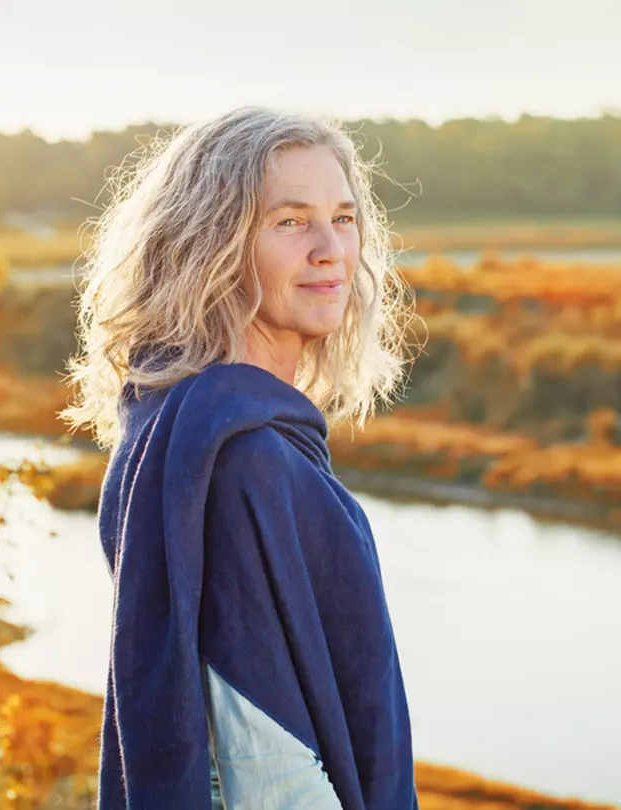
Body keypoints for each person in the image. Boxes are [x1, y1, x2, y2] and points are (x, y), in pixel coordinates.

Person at [60, 105, 419, 809]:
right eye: (289, 221)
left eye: (344, 218)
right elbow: (266, 766)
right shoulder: (237, 457)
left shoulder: (179, 423)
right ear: (210, 245)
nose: (331, 249)